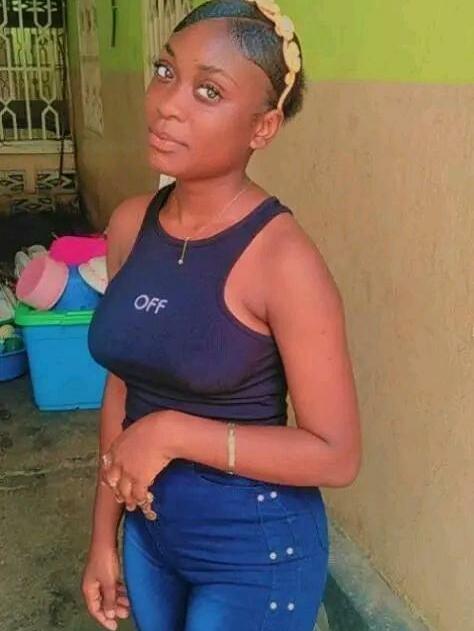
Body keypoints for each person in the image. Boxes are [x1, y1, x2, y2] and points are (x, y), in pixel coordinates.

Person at [82, 1, 361, 630]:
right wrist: (103, 536)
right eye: (165, 72)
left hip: (254, 555)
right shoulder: (131, 224)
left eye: (208, 91)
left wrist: (173, 433)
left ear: (263, 127)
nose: (168, 104)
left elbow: (336, 454)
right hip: (151, 542)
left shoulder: (283, 260)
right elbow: (122, 386)